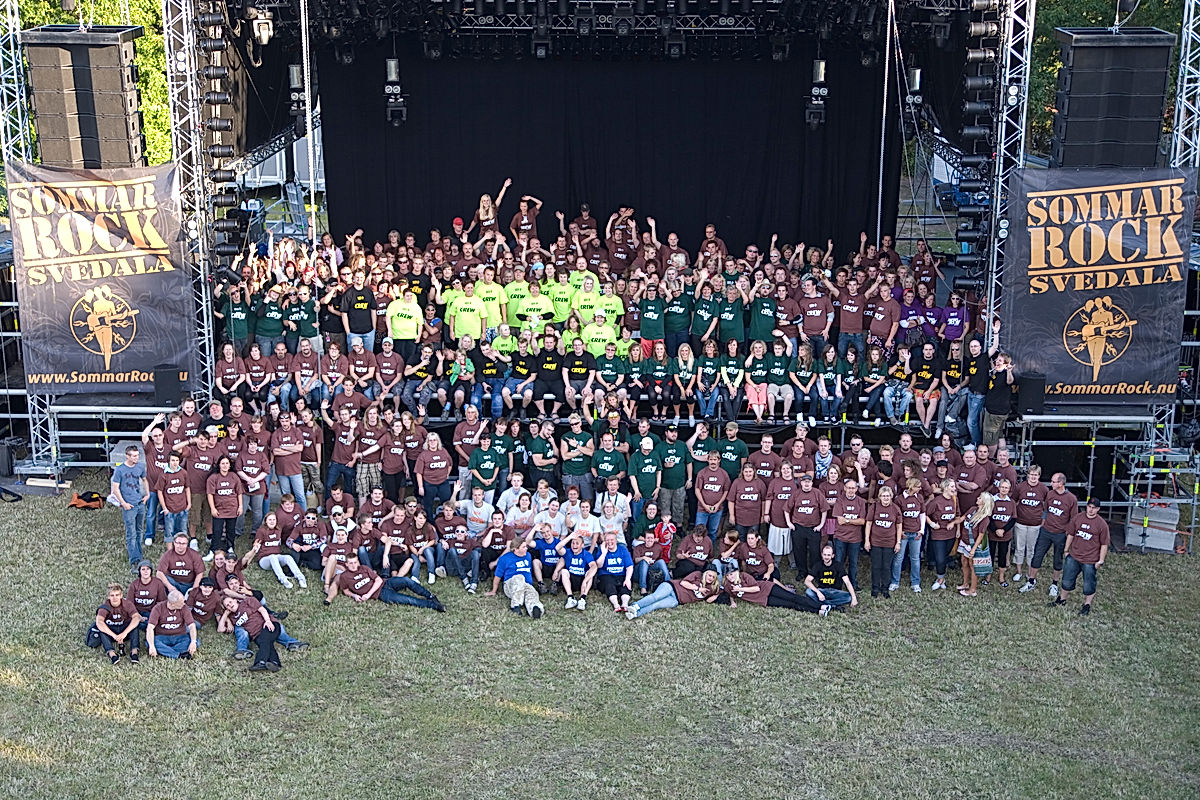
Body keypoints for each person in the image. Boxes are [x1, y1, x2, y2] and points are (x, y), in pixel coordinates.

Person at [324, 551, 445, 611]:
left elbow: (377, 580)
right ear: (346, 564)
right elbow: (345, 590)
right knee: (407, 599)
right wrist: (354, 595)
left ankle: (430, 596)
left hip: (386, 583)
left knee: (407, 581)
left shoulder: (364, 568)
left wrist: (368, 595)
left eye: (355, 562)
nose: (353, 565)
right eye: (350, 563)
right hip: (382, 594)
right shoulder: (344, 576)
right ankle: (433, 605)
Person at [1020, 472, 1077, 598]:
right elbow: (1045, 510)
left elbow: (1073, 519)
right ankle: (1031, 581)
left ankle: (1054, 584)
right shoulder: (1050, 494)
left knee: (1057, 559)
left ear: (1061, 483)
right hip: (1045, 531)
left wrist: (1067, 533)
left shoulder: (1071, 499)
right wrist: (1043, 524)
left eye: (1053, 482)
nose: (1051, 484)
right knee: (1037, 556)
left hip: (1060, 534)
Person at [1054, 497, 1109, 615]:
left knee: (1089, 584)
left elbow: (1104, 544)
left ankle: (1087, 605)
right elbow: (1071, 534)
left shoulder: (1102, 524)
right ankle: (1062, 599)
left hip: (1090, 560)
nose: (1091, 510)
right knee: (1066, 580)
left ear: (1098, 509)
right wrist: (1066, 550)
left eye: (1094, 508)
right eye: (1089, 507)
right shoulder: (1078, 518)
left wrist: (1101, 560)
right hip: (1074, 556)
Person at [625, 566, 720, 619]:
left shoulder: (712, 588)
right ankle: (635, 606)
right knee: (656, 597)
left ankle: (636, 614)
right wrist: (698, 589)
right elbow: (683, 583)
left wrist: (717, 594)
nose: (711, 578)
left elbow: (708, 600)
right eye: (709, 575)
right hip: (672, 587)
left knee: (656, 605)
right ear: (705, 574)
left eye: (713, 577)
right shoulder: (698, 574)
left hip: (676, 600)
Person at [721, 568, 830, 615]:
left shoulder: (744, 576)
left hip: (768, 588)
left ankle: (820, 606)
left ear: (736, 572)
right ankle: (817, 611)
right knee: (790, 605)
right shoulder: (728, 585)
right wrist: (732, 602)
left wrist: (740, 589)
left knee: (793, 597)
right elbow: (731, 594)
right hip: (763, 600)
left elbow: (756, 588)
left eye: (731, 574)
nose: (730, 577)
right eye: (728, 575)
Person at [111, 445, 149, 574]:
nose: (136, 458)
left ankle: (138, 555)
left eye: (137, 455)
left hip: (139, 503)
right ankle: (134, 561)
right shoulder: (120, 470)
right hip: (129, 505)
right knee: (131, 533)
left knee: (139, 530)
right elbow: (115, 488)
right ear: (127, 456)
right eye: (133, 456)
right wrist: (123, 503)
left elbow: (144, 480)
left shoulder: (140, 467)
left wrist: (147, 495)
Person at [488, 538, 545, 618]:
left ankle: (535, 609)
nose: (526, 548)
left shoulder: (528, 556)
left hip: (526, 585)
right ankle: (515, 605)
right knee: (519, 577)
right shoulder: (505, 559)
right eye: (523, 547)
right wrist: (493, 591)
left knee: (532, 592)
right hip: (511, 585)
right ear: (516, 549)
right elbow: (497, 576)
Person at [864, 485, 902, 599]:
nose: (886, 498)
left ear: (891, 497)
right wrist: (867, 540)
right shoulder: (874, 507)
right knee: (876, 566)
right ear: (880, 497)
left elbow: (899, 526)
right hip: (875, 541)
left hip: (889, 542)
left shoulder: (895, 508)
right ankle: (875, 587)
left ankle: (885, 588)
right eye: (883, 496)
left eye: (888, 496)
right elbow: (868, 524)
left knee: (886, 566)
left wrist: (898, 542)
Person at [94, 583, 142, 665]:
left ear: (121, 595)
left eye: (117, 595)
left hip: (124, 628)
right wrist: (114, 635)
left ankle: (134, 653)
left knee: (134, 627)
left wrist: (125, 633)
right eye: (112, 595)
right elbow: (99, 622)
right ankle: (112, 654)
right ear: (108, 597)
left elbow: (136, 617)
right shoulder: (105, 607)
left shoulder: (127, 604)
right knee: (102, 631)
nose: (115, 598)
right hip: (111, 629)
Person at [146, 590, 198, 660]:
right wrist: (152, 646)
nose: (184, 604)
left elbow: (191, 625)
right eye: (181, 603)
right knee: (150, 643)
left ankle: (165, 651)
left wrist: (193, 642)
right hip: (163, 636)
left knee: (196, 641)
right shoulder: (158, 608)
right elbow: (150, 627)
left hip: (180, 636)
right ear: (172, 604)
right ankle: (178, 655)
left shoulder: (184, 607)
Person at [805, 544, 859, 610]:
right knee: (808, 592)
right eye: (825, 555)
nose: (826, 557)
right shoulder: (818, 565)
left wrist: (854, 598)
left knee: (849, 597)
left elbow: (847, 582)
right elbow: (807, 581)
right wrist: (818, 592)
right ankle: (833, 606)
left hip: (835, 591)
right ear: (822, 555)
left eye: (828, 555)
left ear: (832, 556)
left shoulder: (838, 565)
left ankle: (824, 604)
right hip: (822, 591)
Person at [556, 531, 598, 610]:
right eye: (573, 543)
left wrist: (585, 581)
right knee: (564, 571)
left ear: (582, 545)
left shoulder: (586, 554)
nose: (574, 545)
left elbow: (594, 567)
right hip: (571, 580)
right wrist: (570, 537)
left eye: (577, 543)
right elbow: (557, 548)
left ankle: (582, 598)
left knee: (590, 573)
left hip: (582, 580)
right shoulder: (568, 552)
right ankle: (570, 598)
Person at [594, 531, 634, 612]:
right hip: (606, 575)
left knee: (625, 585)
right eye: (607, 540)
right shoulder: (602, 549)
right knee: (609, 586)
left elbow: (629, 566)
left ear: (616, 541)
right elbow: (599, 565)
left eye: (612, 540)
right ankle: (616, 605)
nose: (609, 542)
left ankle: (625, 604)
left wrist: (627, 579)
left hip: (621, 574)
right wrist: (604, 553)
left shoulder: (622, 549)